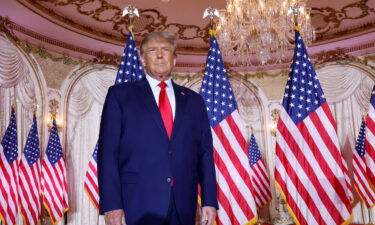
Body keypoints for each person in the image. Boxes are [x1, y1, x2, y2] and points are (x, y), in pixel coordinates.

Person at [98, 32, 218, 225]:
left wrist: (210, 201)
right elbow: (108, 154)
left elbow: (205, 154)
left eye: (166, 50)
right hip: (137, 203)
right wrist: (112, 205)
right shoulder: (120, 96)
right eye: (153, 50)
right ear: (143, 60)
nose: (160, 55)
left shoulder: (194, 101)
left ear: (175, 59)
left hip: (184, 204)